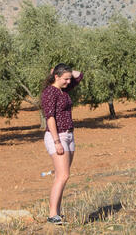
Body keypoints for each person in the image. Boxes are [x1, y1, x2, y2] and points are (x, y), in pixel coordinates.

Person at [41, 63, 83, 225]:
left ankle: (56, 213)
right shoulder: (50, 92)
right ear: (56, 77)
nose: (68, 81)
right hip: (57, 136)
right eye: (65, 79)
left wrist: (65, 72)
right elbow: (50, 117)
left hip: (69, 135)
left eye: (68, 79)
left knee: (62, 175)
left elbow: (79, 75)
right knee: (63, 175)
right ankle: (52, 215)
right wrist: (56, 141)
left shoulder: (62, 90)